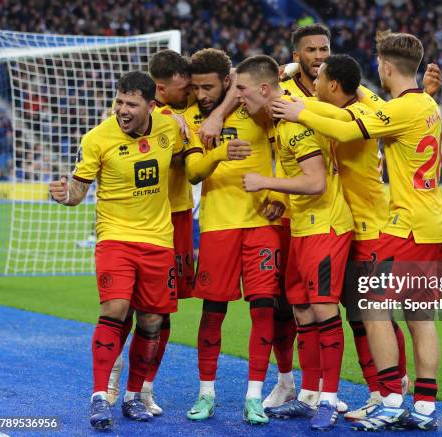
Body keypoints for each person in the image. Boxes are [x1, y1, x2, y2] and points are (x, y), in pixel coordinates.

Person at [272, 32, 442, 431]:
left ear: (385, 68)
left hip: (403, 225)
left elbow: (349, 128)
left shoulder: (396, 108)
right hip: (434, 223)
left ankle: (388, 399)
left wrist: (298, 112)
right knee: (419, 316)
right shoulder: (425, 104)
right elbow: (348, 115)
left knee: (371, 309)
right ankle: (422, 407)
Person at [49, 71, 185, 430]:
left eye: (131, 104)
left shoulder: (170, 128)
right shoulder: (97, 138)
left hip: (158, 240)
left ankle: (132, 396)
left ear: (151, 105)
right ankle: (98, 397)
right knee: (115, 307)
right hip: (115, 237)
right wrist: (65, 196)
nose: (122, 110)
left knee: (152, 320)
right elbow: (78, 193)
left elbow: (186, 156)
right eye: (119, 102)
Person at [237, 55, 354, 431]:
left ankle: (330, 400)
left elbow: (316, 181)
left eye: (242, 89)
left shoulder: (291, 124)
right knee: (302, 312)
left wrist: (265, 182)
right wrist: (281, 200)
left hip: (326, 227)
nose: (237, 97)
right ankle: (309, 394)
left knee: (323, 311)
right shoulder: (278, 118)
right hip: (302, 227)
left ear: (265, 90)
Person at [183, 48, 282, 425]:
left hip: (261, 224)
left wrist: (280, 194)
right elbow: (193, 170)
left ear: (228, 83)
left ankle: (254, 395)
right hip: (218, 225)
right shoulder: (191, 117)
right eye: (195, 87)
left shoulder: (258, 106)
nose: (200, 95)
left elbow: (287, 153)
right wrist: (222, 150)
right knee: (213, 311)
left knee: (264, 308)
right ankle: (206, 392)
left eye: (208, 87)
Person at [107, 48, 193, 417]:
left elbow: (234, 78)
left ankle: (144, 387)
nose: (190, 93)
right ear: (162, 87)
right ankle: (113, 374)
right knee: (124, 307)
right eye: (183, 88)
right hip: (144, 221)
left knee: (162, 311)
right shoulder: (137, 118)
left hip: (179, 217)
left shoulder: (182, 116)